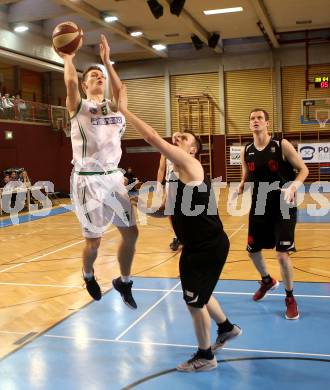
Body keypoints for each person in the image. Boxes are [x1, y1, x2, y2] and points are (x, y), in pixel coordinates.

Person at [118, 84, 241, 372]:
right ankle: (226, 328)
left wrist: (124, 110)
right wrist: (138, 204)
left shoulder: (190, 164)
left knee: (193, 302)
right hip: (198, 246)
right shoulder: (175, 176)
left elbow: (150, 136)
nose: (177, 138)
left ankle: (205, 356)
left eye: (183, 137)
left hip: (207, 246)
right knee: (199, 292)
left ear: (192, 149)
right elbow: (167, 212)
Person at [57, 34, 138, 308]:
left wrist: (106, 61)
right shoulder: (79, 107)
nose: (98, 77)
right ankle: (88, 273)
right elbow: (69, 83)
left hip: (114, 179)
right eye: (93, 75)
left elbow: (121, 91)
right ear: (85, 84)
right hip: (87, 181)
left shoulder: (115, 108)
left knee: (132, 233)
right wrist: (68, 57)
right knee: (94, 243)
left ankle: (124, 281)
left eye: (100, 75)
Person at [237, 108, 309, 320]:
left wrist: (294, 186)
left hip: (283, 205)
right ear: (249, 124)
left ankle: (289, 297)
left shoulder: (281, 145)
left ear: (267, 123)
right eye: (252, 118)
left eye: (260, 118)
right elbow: (247, 171)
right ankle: (267, 280)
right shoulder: (246, 149)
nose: (255, 121)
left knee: (282, 254)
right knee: (252, 250)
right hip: (259, 206)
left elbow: (303, 170)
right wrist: (242, 184)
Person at [156, 134, 181, 251]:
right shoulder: (165, 150)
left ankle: (186, 235)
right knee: (169, 212)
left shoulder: (185, 151)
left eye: (179, 137)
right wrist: (158, 184)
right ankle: (177, 236)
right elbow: (161, 168)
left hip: (183, 183)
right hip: (169, 183)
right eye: (174, 137)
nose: (176, 139)